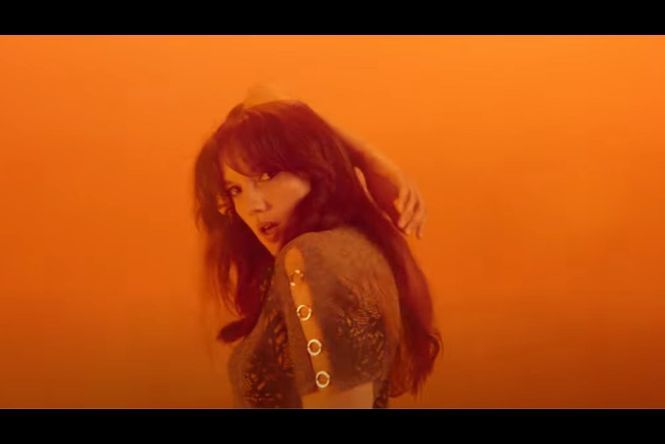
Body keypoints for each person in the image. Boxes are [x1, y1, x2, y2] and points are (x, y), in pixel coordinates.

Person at [193, 89, 441, 408]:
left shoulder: (310, 257)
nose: (253, 205)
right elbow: (269, 98)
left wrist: (360, 156)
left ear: (314, 166)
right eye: (235, 190)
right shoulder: (354, 246)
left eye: (267, 175)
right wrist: (363, 156)